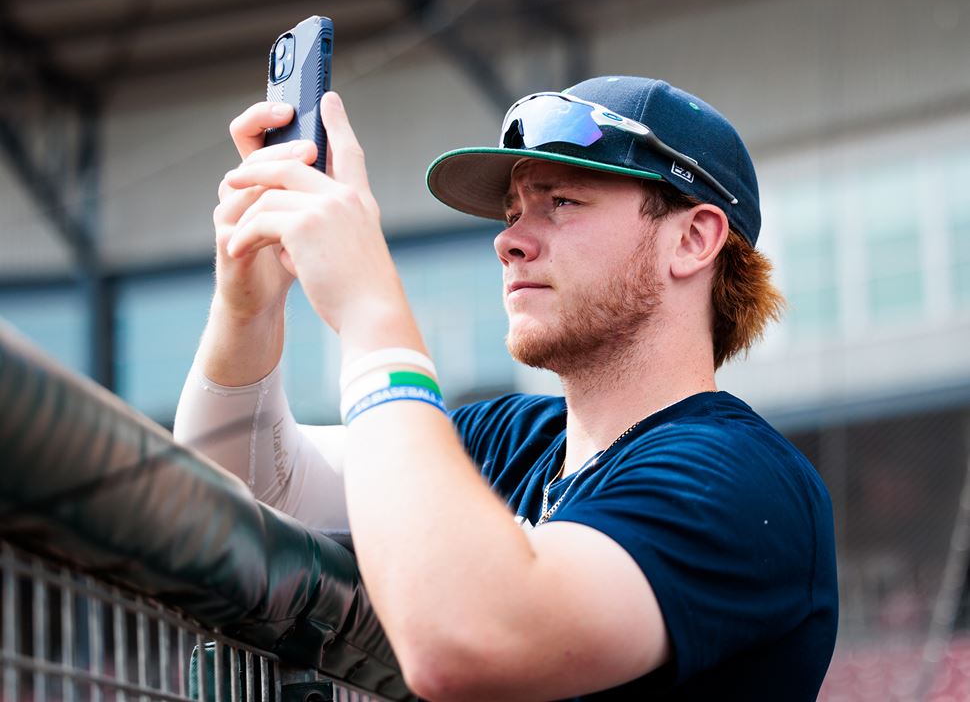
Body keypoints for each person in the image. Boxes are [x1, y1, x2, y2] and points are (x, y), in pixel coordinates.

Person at [174, 75, 838, 700]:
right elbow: (250, 489)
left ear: (694, 239)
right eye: (513, 209)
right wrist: (247, 305)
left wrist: (370, 310)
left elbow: (464, 639)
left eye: (562, 202)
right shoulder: (508, 439)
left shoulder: (740, 479)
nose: (510, 240)